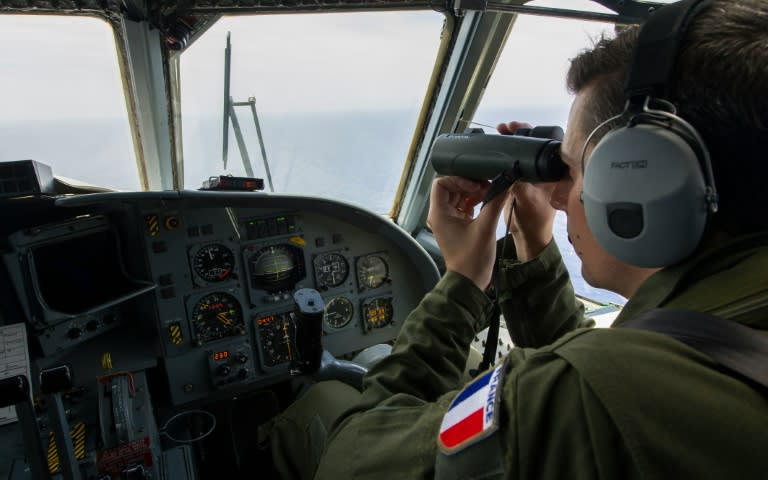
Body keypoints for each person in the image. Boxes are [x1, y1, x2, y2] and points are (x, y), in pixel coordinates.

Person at [307, 0, 768, 477]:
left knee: (321, 401)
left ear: (641, 179)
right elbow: (614, 370)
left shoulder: (582, 399)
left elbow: (349, 462)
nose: (561, 196)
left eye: (571, 167)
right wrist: (534, 243)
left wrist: (463, 281)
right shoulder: (714, 340)